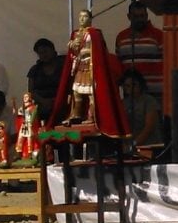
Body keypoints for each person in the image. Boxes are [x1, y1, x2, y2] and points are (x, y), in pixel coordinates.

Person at [49, 9, 129, 139]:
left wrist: (86, 51)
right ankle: (76, 114)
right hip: (79, 66)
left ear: (90, 19)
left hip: (91, 66)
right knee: (76, 91)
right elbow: (73, 53)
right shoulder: (75, 34)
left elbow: (99, 50)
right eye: (80, 16)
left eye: (85, 16)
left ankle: (92, 116)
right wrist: (72, 46)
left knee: (91, 93)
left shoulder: (95, 34)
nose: (81, 19)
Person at [115, 0, 164, 102]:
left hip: (155, 94)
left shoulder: (158, 35)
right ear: (129, 17)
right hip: (131, 96)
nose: (140, 19)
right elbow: (118, 65)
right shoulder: (121, 37)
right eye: (136, 17)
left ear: (147, 16)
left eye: (142, 16)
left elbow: (167, 62)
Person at [119, 69, 162, 149]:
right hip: (129, 147)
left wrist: (135, 144)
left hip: (149, 145)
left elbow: (149, 127)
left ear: (140, 85)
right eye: (127, 86)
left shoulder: (149, 100)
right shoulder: (123, 103)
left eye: (134, 85)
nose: (130, 88)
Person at [27, 38, 65, 125]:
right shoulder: (35, 70)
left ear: (52, 50)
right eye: (40, 53)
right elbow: (31, 92)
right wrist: (43, 101)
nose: (44, 55)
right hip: (41, 105)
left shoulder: (63, 66)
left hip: (61, 102)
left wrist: (57, 100)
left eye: (45, 51)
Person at [15, 92, 39, 160]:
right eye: (24, 97)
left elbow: (33, 116)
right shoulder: (22, 107)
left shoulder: (33, 107)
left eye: (26, 97)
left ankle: (29, 154)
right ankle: (19, 153)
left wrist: (31, 122)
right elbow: (18, 113)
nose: (25, 98)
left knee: (29, 139)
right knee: (20, 138)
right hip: (24, 126)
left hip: (29, 126)